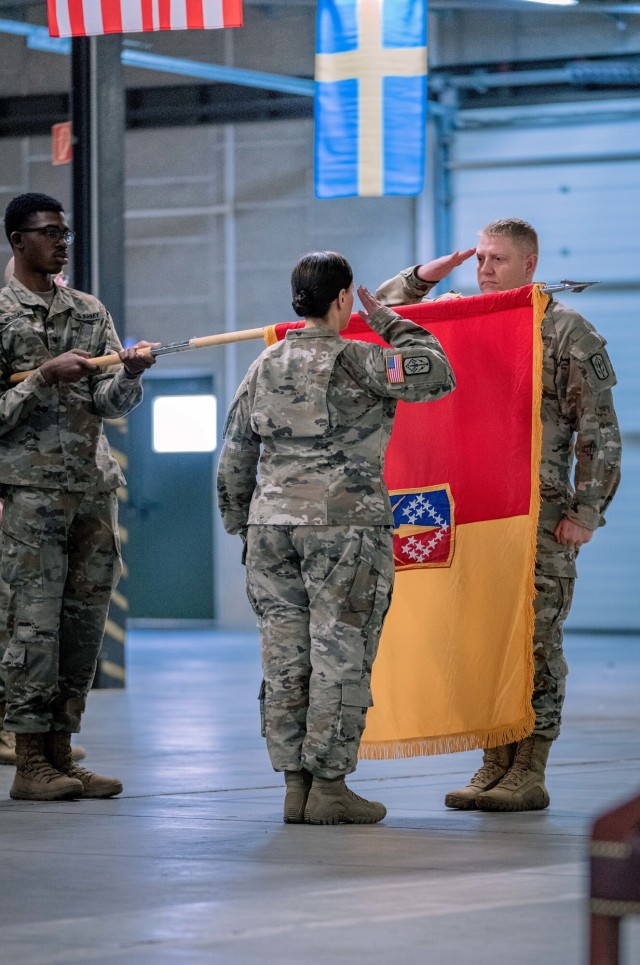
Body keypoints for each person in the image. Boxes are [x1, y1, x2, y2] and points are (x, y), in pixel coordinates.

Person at [376, 218, 622, 812]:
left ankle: (530, 766)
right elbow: (377, 316)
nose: (484, 269)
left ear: (530, 264)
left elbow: (600, 432)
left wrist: (587, 511)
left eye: (498, 259)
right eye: (480, 258)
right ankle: (494, 759)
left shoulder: (565, 331)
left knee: (534, 639)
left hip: (538, 518)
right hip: (476, 517)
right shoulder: (464, 319)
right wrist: (422, 277)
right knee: (484, 637)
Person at [217, 251, 456, 825]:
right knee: (339, 652)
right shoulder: (359, 360)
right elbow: (436, 373)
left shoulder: (265, 364)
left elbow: (234, 454)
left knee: (285, 657)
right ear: (344, 297)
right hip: (344, 529)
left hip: (270, 530)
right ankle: (329, 787)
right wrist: (391, 320)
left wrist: (239, 521)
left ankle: (294, 787)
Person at [0, 192, 157, 801]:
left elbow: (105, 403)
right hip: (31, 494)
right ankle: (29, 763)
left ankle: (62, 754)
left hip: (91, 490)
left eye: (64, 232)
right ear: (18, 241)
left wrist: (131, 376)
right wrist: (42, 377)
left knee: (81, 625)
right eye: (48, 232)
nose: (61, 241)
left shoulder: (88, 311)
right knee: (32, 628)